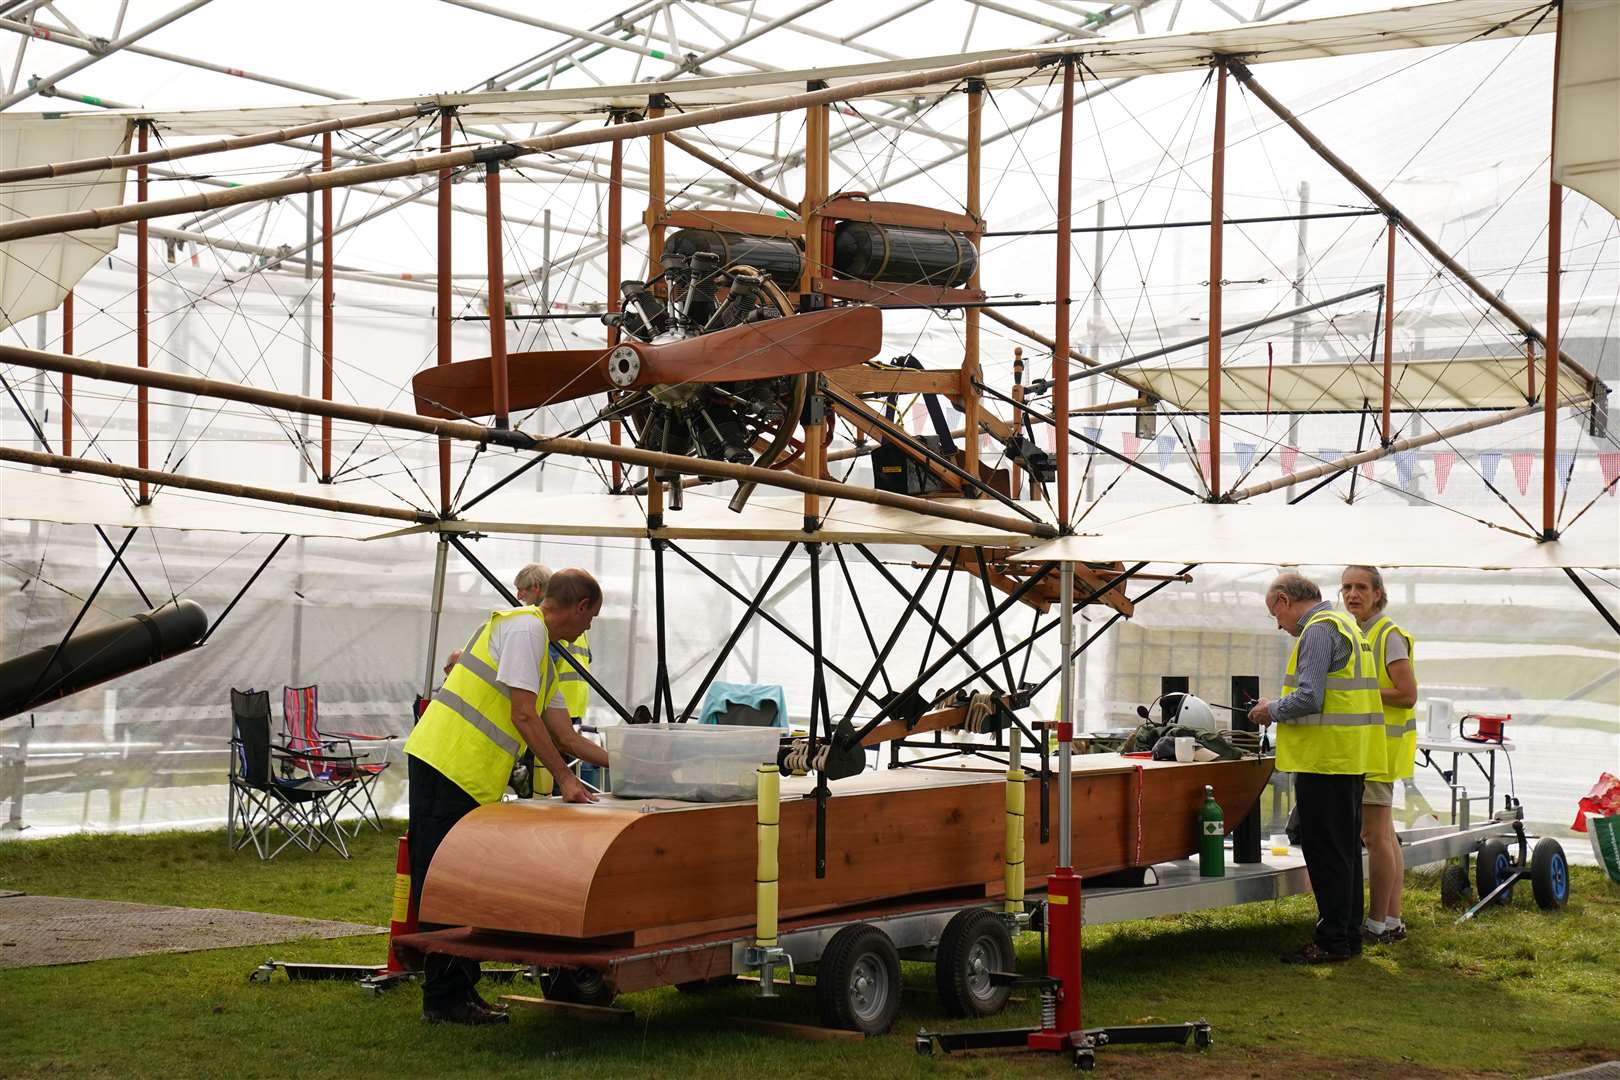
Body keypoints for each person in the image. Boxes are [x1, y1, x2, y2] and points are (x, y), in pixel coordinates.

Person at [404, 568, 610, 1024]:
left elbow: (567, 736)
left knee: (462, 880)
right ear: (578, 608)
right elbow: (524, 716)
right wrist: (566, 780)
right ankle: (442, 1000)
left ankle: (458, 992)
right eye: (591, 617)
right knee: (444, 881)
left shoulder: (543, 653)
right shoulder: (524, 630)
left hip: (468, 773)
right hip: (447, 763)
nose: (589, 627)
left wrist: (635, 765)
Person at [1248, 572, 1385, 964]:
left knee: (1326, 853)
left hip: (1325, 761)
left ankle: (1331, 941)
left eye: (1275, 614)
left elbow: (1309, 696)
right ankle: (1347, 935)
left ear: (1284, 601)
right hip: (1347, 757)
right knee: (1344, 852)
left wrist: (1269, 710)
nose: (1278, 624)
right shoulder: (1347, 624)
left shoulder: (1319, 631)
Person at [1341, 565, 1418, 945]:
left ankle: (1374, 923)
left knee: (1374, 837)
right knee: (1385, 836)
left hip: (1378, 752)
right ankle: (1391, 919)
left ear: (1378, 593)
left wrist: (1358, 691)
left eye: (1360, 587)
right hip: (1371, 750)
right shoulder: (1361, 632)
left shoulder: (1387, 635)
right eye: (1346, 587)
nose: (1352, 594)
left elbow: (1406, 694)